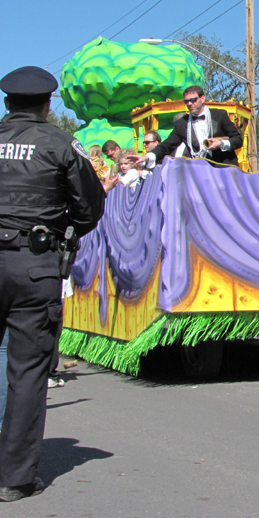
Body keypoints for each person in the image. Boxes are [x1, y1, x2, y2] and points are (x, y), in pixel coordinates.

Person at [0, 66, 105, 502]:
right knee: (27, 374)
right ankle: (13, 479)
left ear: (7, 104)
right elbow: (90, 207)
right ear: (47, 105)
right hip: (33, 264)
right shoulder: (60, 145)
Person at [135, 86, 243, 169]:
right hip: (199, 172)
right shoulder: (182, 124)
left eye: (193, 100)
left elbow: (238, 139)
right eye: (186, 101)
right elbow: (166, 145)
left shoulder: (219, 115)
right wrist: (147, 156)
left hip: (224, 169)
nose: (190, 103)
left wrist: (221, 143)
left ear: (202, 98)